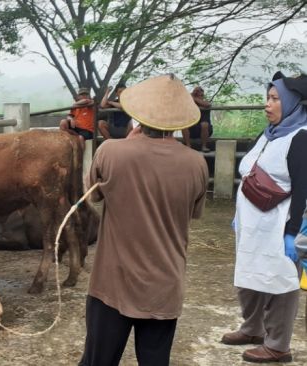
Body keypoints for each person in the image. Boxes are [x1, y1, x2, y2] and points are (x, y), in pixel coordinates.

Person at [79, 74, 208, 366]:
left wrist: (126, 144)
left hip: (112, 284)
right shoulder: (196, 163)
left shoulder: (111, 152)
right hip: (164, 286)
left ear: (137, 117)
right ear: (179, 120)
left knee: (98, 360)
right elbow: (192, 214)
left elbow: (93, 197)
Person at [221, 72, 307, 363]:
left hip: (279, 224)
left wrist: (291, 232)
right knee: (250, 275)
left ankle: (278, 346)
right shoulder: (269, 133)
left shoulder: (301, 137)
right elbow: (249, 171)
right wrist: (238, 215)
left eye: (274, 99)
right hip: (253, 223)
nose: (267, 105)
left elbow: (303, 188)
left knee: (279, 281)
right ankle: (252, 328)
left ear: (293, 102)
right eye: (266, 98)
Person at [182, 86, 213, 152]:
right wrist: (191, 95)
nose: (199, 94)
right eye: (196, 93)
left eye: (200, 93)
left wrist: (194, 98)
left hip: (206, 129)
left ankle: (204, 146)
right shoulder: (189, 104)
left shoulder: (206, 103)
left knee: (204, 124)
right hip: (193, 130)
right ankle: (188, 146)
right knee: (184, 126)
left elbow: (207, 105)